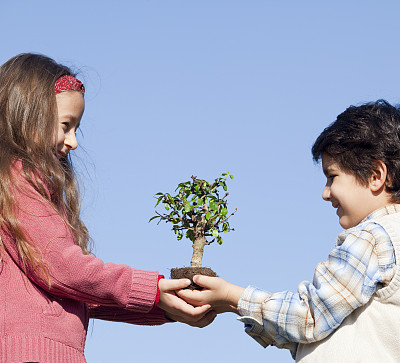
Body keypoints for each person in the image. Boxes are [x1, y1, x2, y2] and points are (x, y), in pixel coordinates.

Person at [0, 53, 215, 363]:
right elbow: (66, 269)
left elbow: (75, 290)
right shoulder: (21, 180)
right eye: (66, 125)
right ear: (27, 114)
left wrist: (163, 306)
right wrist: (151, 288)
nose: (73, 141)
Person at [179, 100, 400, 362]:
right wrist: (230, 305)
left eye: (332, 176)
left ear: (376, 175)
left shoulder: (370, 238)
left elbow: (309, 317)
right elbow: (319, 333)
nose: (325, 193)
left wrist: (233, 296)